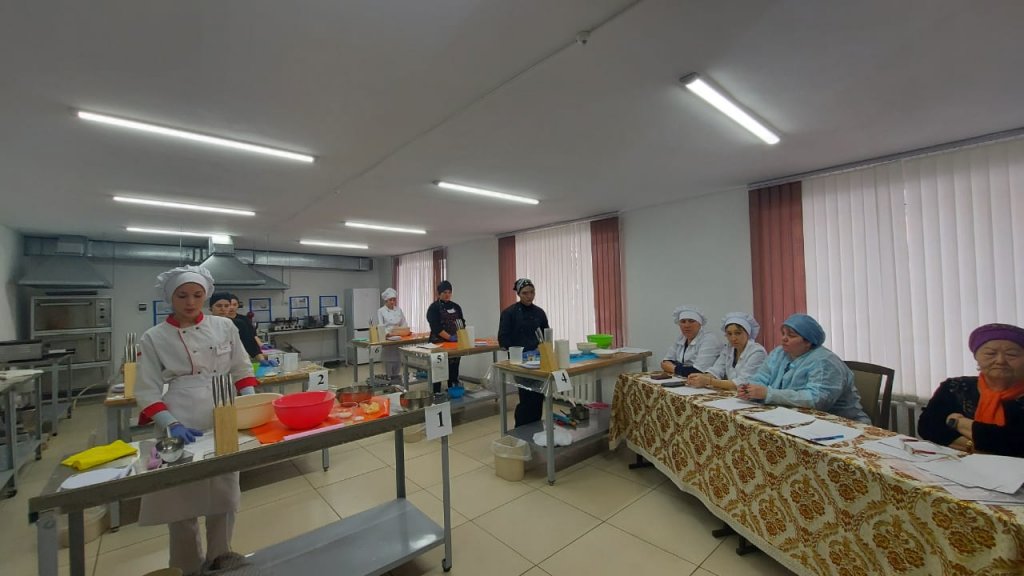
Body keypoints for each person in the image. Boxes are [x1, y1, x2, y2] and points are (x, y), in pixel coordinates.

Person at [135, 266, 259, 575]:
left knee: (224, 489)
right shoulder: (154, 337)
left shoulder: (224, 326)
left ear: (205, 296)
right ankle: (186, 564)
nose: (190, 302)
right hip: (180, 414)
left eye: (197, 295)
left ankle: (221, 555)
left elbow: (241, 368)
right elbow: (147, 389)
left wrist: (251, 404)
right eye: (182, 296)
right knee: (181, 496)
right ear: (170, 298)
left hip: (223, 409)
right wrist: (170, 423)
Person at [737, 313, 869, 423]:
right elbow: (762, 376)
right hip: (794, 417)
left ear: (808, 341)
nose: (784, 339)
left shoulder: (824, 362)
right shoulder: (779, 353)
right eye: (783, 333)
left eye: (791, 335)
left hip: (840, 423)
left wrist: (769, 394)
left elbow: (816, 400)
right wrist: (750, 389)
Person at [918, 323, 1024, 456]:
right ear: (976, 357)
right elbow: (927, 427)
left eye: (1011, 354)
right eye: (990, 353)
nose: (1000, 361)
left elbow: (1018, 445)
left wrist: (959, 423)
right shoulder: (955, 386)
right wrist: (976, 446)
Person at [498, 278, 550, 426]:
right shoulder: (509, 313)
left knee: (538, 397)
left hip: (538, 361)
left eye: (532, 292)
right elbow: (503, 339)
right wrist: (519, 352)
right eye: (525, 293)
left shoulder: (539, 313)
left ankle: (535, 428)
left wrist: (542, 349)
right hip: (520, 362)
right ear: (519, 294)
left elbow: (546, 335)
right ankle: (520, 429)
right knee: (527, 397)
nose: (529, 296)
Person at [688, 312, 767, 391]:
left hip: (751, 395)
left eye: (738, 333)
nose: (733, 338)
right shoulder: (729, 348)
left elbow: (742, 383)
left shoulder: (757, 352)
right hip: (735, 393)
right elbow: (717, 370)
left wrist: (709, 381)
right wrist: (700, 377)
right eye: (729, 334)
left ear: (748, 333)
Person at [660, 306, 725, 377]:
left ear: (700, 324)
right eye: (683, 322)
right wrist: (682, 369)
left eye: (691, 321)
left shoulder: (710, 339)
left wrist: (674, 368)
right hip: (684, 379)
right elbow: (665, 362)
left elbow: (698, 371)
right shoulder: (681, 338)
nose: (687, 325)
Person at [426, 280, 465, 393]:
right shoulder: (434, 308)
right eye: (445, 292)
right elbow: (435, 327)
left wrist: (459, 336)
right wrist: (449, 337)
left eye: (449, 292)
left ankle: (453, 391)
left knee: (453, 369)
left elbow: (462, 322)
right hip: (438, 344)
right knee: (438, 371)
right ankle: (436, 394)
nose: (447, 295)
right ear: (439, 293)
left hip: (454, 344)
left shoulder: (456, 307)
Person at [209, 292, 264, 361]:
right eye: (219, 306)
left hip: (234, 362)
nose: (223, 309)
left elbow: (251, 346)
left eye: (226, 306)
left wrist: (263, 361)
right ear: (211, 308)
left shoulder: (238, 324)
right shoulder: (205, 325)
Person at [376, 287, 408, 379]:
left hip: (399, 338)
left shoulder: (398, 310)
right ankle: (388, 379)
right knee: (388, 362)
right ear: (386, 300)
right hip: (388, 339)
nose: (392, 302)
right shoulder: (381, 311)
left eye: (394, 300)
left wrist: (403, 331)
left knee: (398, 361)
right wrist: (388, 334)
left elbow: (404, 322)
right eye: (390, 300)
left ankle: (396, 380)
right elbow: (381, 325)